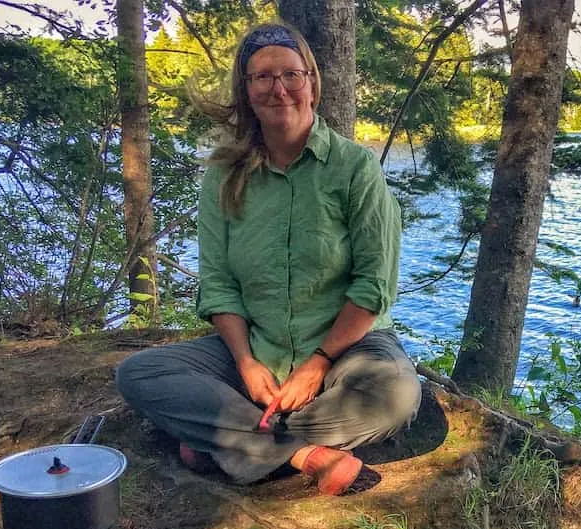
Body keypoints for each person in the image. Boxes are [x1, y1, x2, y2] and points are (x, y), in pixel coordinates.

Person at [116, 21, 421, 495]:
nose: (279, 89)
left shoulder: (354, 168)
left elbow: (374, 284)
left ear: (312, 84)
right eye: (263, 77)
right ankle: (301, 454)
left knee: (397, 393)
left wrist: (318, 364)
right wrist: (244, 362)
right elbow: (217, 283)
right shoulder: (223, 175)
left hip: (345, 352)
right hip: (256, 351)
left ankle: (224, 439)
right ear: (247, 90)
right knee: (139, 373)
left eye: (291, 75)